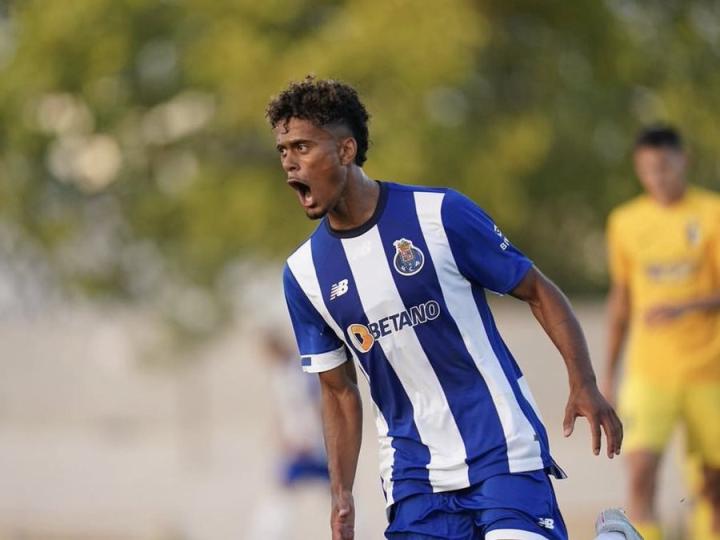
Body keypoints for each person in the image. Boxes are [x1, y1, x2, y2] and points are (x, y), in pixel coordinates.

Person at [268, 76, 623, 540]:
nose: (289, 162)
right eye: (283, 151)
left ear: (346, 150)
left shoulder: (438, 214)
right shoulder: (304, 274)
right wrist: (341, 493)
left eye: (302, 146)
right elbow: (337, 392)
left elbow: (537, 290)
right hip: (413, 475)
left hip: (501, 447)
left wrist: (584, 382)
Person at [603, 125, 720, 540]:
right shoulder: (625, 221)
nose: (658, 178)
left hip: (709, 370)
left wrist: (686, 306)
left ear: (683, 161)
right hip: (649, 373)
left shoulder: (711, 213)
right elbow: (621, 299)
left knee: (712, 484)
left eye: (665, 168)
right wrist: (607, 373)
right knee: (640, 471)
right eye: (648, 170)